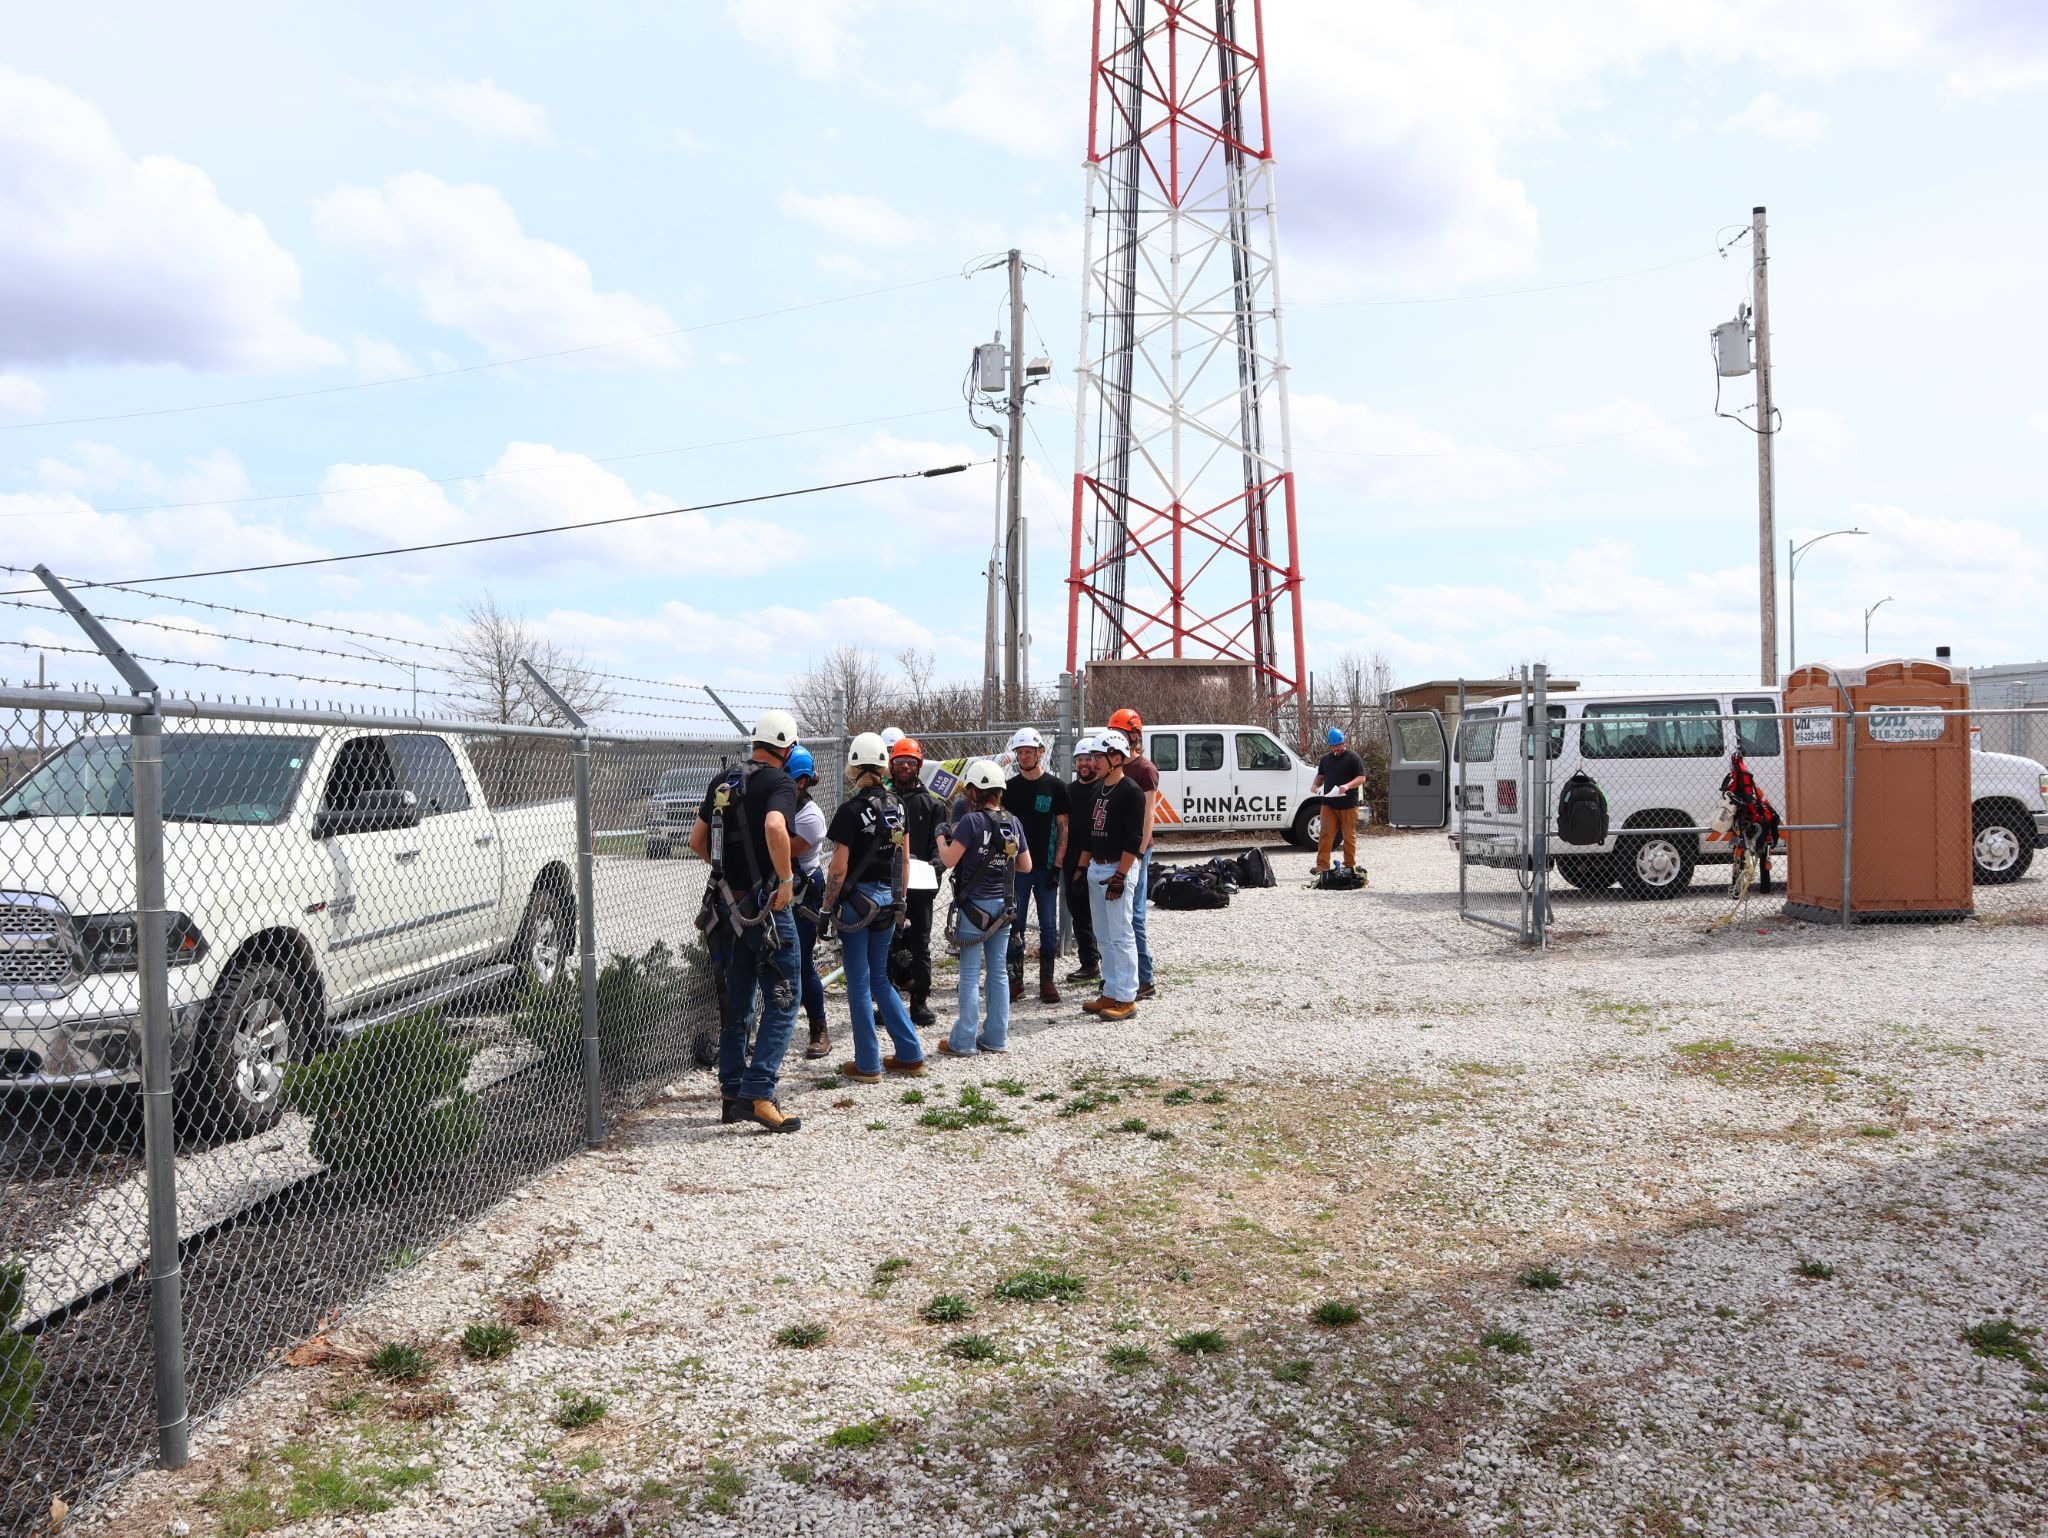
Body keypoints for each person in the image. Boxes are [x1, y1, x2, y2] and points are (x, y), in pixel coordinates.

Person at [688, 710, 804, 1133]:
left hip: (725, 909)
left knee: (737, 1001)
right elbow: (775, 826)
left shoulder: (722, 781)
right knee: (784, 999)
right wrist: (785, 880)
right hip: (766, 909)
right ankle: (758, 1094)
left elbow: (696, 841)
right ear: (787, 748)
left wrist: (730, 880)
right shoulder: (780, 783)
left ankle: (732, 1093)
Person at [827, 733, 927, 1082]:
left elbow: (838, 867)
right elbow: (904, 860)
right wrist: (900, 902)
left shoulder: (850, 811)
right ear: (884, 767)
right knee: (880, 979)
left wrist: (826, 907)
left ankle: (868, 1063)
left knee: (858, 983)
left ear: (853, 768)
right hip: (887, 900)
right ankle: (910, 1053)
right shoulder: (897, 806)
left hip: (857, 903)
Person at [936, 760, 1029, 1057]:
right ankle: (996, 1036)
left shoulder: (971, 822)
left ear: (974, 791)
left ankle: (964, 1040)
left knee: (969, 973)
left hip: (974, 907)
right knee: (998, 972)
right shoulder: (1013, 822)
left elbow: (949, 859)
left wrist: (940, 837)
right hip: (1003, 907)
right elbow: (1026, 865)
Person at [1076, 729, 1145, 1021]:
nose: (1094, 762)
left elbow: (1134, 840)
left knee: (1121, 935)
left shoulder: (1131, 792)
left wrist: (1120, 876)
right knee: (1103, 935)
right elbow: (1090, 834)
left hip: (1118, 867)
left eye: (1099, 757)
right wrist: (1081, 868)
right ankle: (1111, 990)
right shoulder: (1098, 790)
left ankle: (1127, 997)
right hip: (1097, 867)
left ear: (1116, 758)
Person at [1001, 727, 1069, 1005]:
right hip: (1017, 869)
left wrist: (1057, 867)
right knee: (1014, 922)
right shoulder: (1009, 788)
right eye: (1020, 752)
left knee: (1048, 925)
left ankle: (1046, 981)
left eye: (1029, 751)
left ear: (1041, 752)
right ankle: (1016, 981)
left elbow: (1063, 828)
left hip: (1045, 868)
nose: (1024, 756)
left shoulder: (1056, 787)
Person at [885, 737, 948, 1026]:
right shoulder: (883, 802)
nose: (905, 767)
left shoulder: (933, 805)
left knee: (920, 944)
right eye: (899, 762)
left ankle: (920, 1002)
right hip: (887, 885)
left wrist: (934, 867)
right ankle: (888, 1003)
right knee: (888, 943)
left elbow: (940, 845)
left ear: (919, 765)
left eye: (910, 762)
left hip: (920, 887)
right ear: (891, 765)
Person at [1107, 707, 1160, 1001]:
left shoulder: (1144, 770)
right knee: (1117, 917)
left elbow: (1148, 814)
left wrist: (1139, 853)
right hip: (1114, 848)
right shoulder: (1111, 765)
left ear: (1134, 736)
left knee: (1134, 915)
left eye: (1121, 733)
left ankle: (1144, 978)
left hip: (1137, 849)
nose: (1116, 738)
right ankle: (1121, 977)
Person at [785, 746, 831, 1059]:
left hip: (802, 893)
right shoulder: (777, 805)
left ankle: (819, 1029)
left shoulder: (810, 816)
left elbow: (781, 849)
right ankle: (769, 1030)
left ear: (800, 782)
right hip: (775, 889)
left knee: (800, 962)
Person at [1062, 736, 1103, 985]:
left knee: (1103, 917)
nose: (1084, 764)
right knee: (1079, 915)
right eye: (1080, 759)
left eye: (1088, 759)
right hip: (1071, 862)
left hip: (1099, 863)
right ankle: (1089, 963)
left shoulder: (1104, 789)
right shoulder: (1068, 791)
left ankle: (1111, 966)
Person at [1720, 752, 1782, 894]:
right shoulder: (1743, 776)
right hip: (1750, 818)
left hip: (1743, 819)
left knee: (1741, 850)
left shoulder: (1736, 777)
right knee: (1762, 848)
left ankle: (1737, 888)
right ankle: (1764, 888)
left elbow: (1728, 794)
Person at [1311, 726, 1367, 875]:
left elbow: (1361, 778)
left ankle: (1349, 865)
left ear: (1343, 743)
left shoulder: (1353, 758)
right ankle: (1322, 865)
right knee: (1325, 833)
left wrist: (1347, 786)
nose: (1336, 748)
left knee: (1349, 836)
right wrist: (1315, 785)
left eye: (1338, 745)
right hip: (1329, 804)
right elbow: (1321, 776)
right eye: (1333, 746)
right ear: (1329, 746)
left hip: (1348, 804)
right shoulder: (1325, 759)